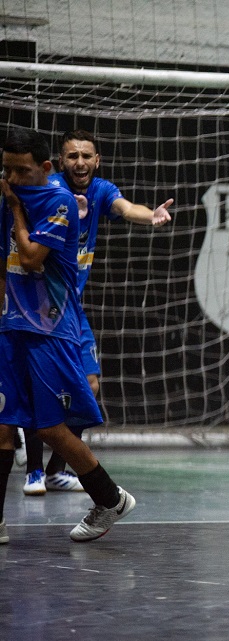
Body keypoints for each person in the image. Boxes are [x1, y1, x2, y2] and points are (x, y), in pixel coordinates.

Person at [0, 126, 135, 544]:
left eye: (21, 171)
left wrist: (17, 209)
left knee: (50, 429)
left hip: (51, 329)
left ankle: (109, 498)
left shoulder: (61, 202)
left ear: (43, 168)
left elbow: (31, 257)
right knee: (3, 425)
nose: (12, 178)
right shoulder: (6, 196)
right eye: (7, 170)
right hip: (12, 327)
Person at [20, 129, 173, 496]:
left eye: (86, 156)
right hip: (36, 308)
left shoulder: (102, 191)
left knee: (87, 385)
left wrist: (149, 214)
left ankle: (58, 470)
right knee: (39, 391)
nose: (80, 162)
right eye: (72, 156)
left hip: (72, 310)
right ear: (60, 161)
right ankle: (34, 471)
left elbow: (125, 208)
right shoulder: (50, 189)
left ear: (97, 160)